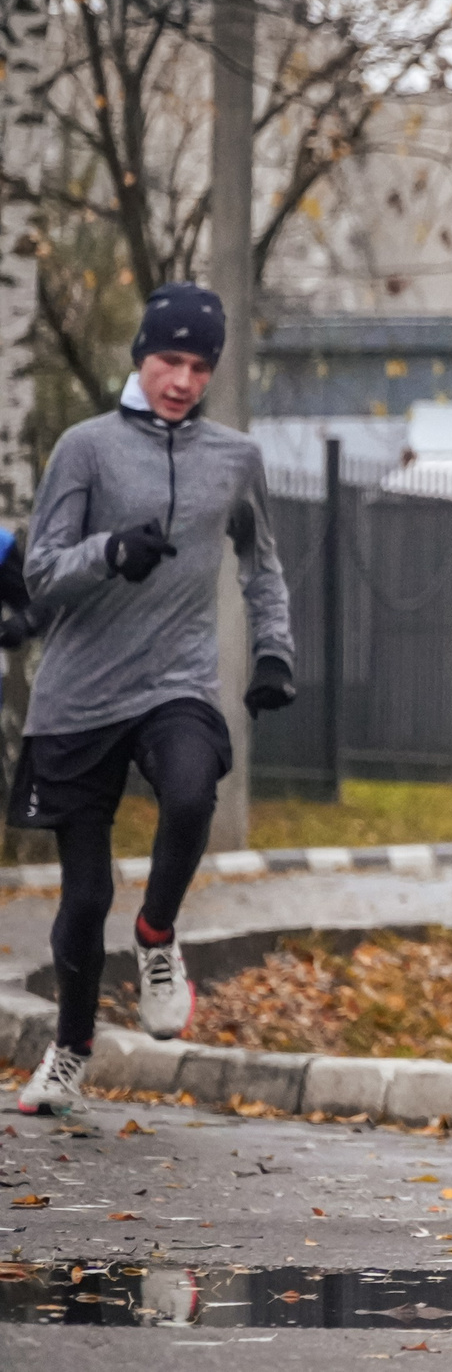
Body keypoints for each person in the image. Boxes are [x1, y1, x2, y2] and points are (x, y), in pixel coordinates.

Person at [7, 283, 296, 1117]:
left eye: (200, 365)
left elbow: (261, 562)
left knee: (188, 789)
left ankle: (159, 936)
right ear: (141, 355)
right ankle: (69, 1050)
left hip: (176, 678)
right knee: (86, 894)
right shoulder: (85, 448)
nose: (182, 379)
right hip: (80, 693)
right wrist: (110, 552)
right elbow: (38, 572)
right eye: (170, 359)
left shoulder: (234, 457)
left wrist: (273, 649)